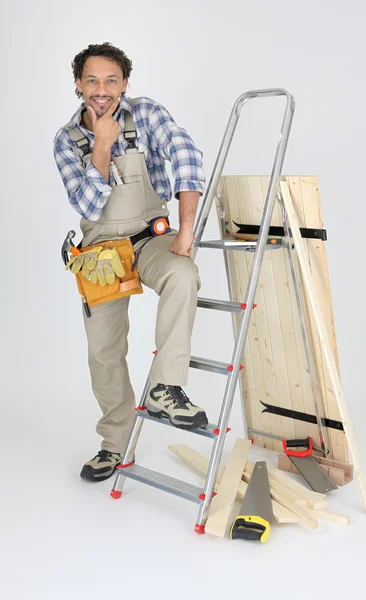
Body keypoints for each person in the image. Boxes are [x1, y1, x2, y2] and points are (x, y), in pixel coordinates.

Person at [53, 42, 208, 483]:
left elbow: (187, 158)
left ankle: (164, 388)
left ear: (125, 83)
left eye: (111, 80)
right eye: (92, 81)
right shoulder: (67, 140)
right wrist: (101, 146)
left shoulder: (146, 114)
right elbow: (86, 202)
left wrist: (186, 229)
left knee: (183, 274)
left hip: (150, 238)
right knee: (104, 353)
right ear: (79, 84)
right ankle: (115, 445)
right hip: (101, 253)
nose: (102, 90)